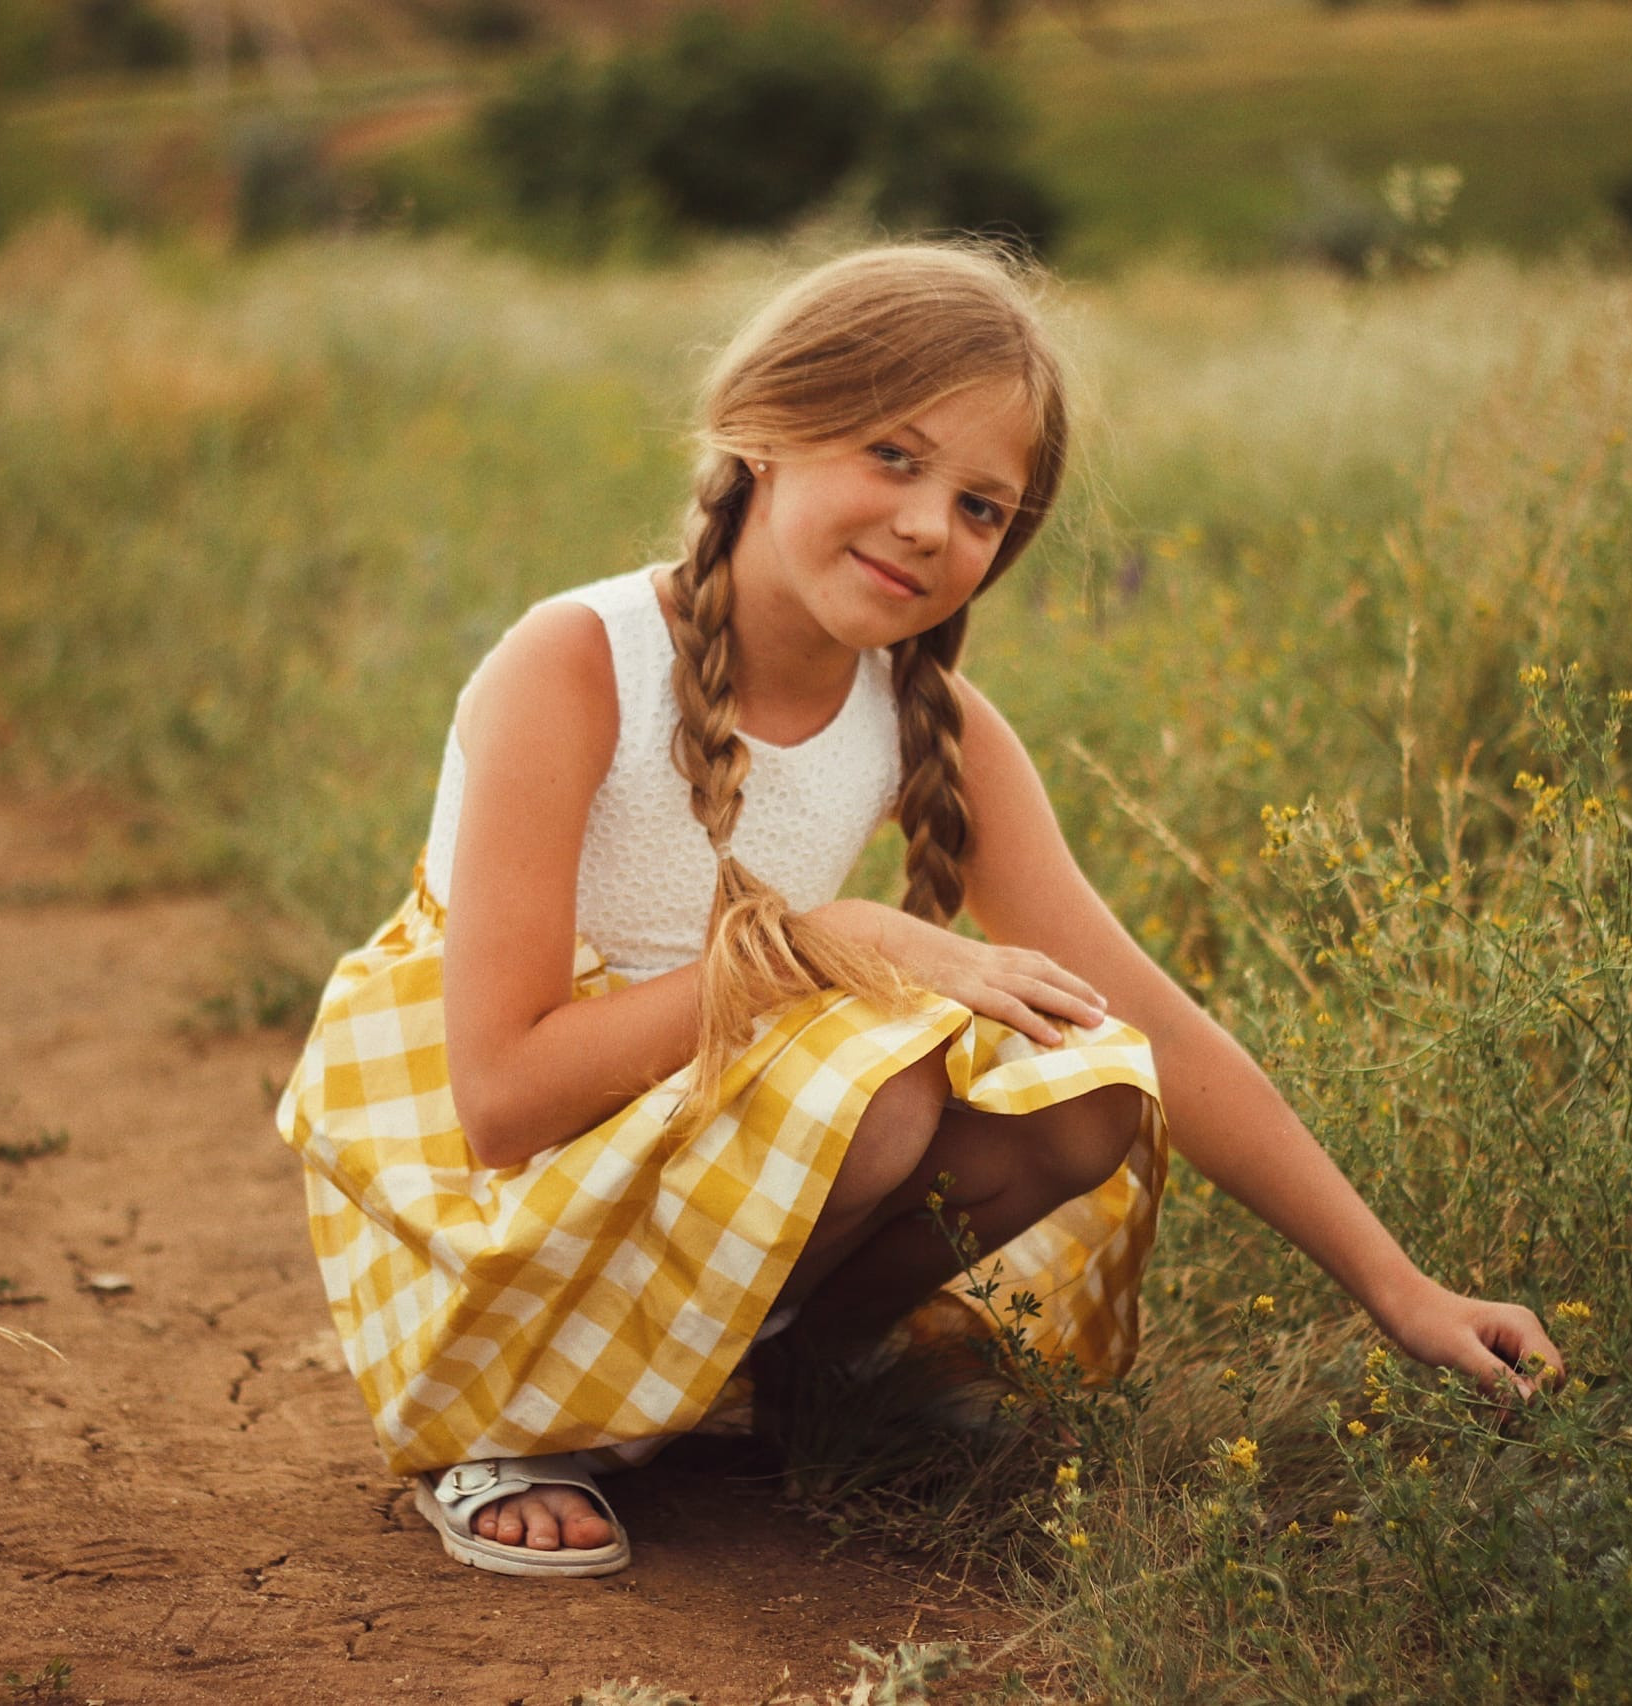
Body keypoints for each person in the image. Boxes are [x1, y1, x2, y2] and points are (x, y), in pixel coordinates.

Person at [275, 242, 1562, 1579]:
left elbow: (1158, 1027)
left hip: (695, 1137)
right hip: (497, 1189)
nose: (930, 525)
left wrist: (1404, 1292)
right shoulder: (581, 662)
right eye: (892, 455)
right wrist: (831, 941)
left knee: (1092, 1082)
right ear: (762, 427)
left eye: (983, 506)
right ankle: (521, 1417)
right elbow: (501, 1099)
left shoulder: (926, 720)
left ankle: (788, 1370)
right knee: (881, 1087)